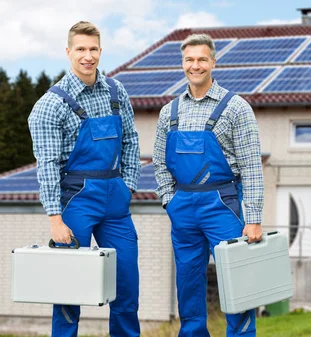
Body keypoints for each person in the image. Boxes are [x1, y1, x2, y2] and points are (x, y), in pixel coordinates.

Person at [28, 21, 141, 337]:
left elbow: (131, 140)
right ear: (68, 52)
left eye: (93, 49)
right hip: (76, 201)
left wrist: (128, 185)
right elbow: (47, 166)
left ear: (101, 51)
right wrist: (54, 219)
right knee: (68, 288)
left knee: (127, 283)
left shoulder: (117, 92)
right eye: (80, 49)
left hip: (116, 201)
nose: (87, 56)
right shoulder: (49, 106)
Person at [153, 34, 264, 337]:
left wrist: (253, 219)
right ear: (182, 63)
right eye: (190, 59)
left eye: (202, 59)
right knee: (188, 284)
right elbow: (160, 163)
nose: (196, 65)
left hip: (223, 204)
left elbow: (253, 167)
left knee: (237, 283)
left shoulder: (236, 108)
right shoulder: (169, 112)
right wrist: (169, 200)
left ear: (214, 62)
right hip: (183, 207)